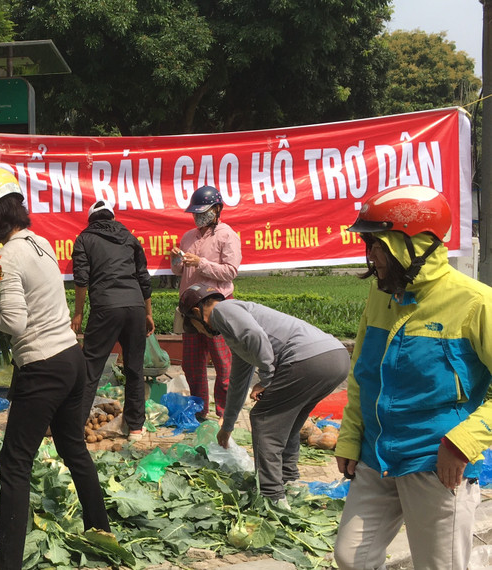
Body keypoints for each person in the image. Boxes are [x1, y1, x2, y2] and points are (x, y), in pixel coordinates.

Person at [333, 185, 492, 570]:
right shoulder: (381, 295)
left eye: (379, 245)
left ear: (417, 244)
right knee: (351, 557)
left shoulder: (475, 302)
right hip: (377, 456)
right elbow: (363, 375)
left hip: (437, 463)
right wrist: (351, 437)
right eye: (369, 246)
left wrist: (463, 441)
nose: (372, 258)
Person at [0, 167, 111, 570]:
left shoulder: (10, 254)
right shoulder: (40, 243)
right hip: (70, 358)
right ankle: (101, 528)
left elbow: (14, 322)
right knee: (73, 448)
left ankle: (5, 562)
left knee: (15, 462)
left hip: (43, 366)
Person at [178, 283, 349, 502]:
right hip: (335, 358)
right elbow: (238, 383)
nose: (199, 333)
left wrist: (267, 378)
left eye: (194, 327)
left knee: (263, 419)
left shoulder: (223, 310)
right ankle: (288, 481)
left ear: (197, 313)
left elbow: (255, 335)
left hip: (307, 359)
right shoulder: (236, 334)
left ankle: (272, 497)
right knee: (289, 421)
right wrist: (227, 426)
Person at [71, 200, 154, 440]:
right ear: (112, 218)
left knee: (90, 370)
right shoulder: (129, 237)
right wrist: (148, 313)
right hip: (136, 307)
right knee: (135, 369)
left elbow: (81, 279)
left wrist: (78, 313)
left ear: (91, 220)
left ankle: (74, 431)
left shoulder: (84, 239)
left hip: (106, 307)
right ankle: (136, 428)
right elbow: (143, 277)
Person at [170, 186, 242, 420]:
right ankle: (199, 410)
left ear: (217, 209)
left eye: (204, 211)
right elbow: (178, 270)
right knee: (191, 363)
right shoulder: (188, 236)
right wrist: (176, 259)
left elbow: (230, 272)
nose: (198, 217)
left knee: (223, 364)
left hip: (216, 308)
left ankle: (225, 414)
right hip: (191, 309)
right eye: (195, 212)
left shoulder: (227, 235)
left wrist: (200, 263)